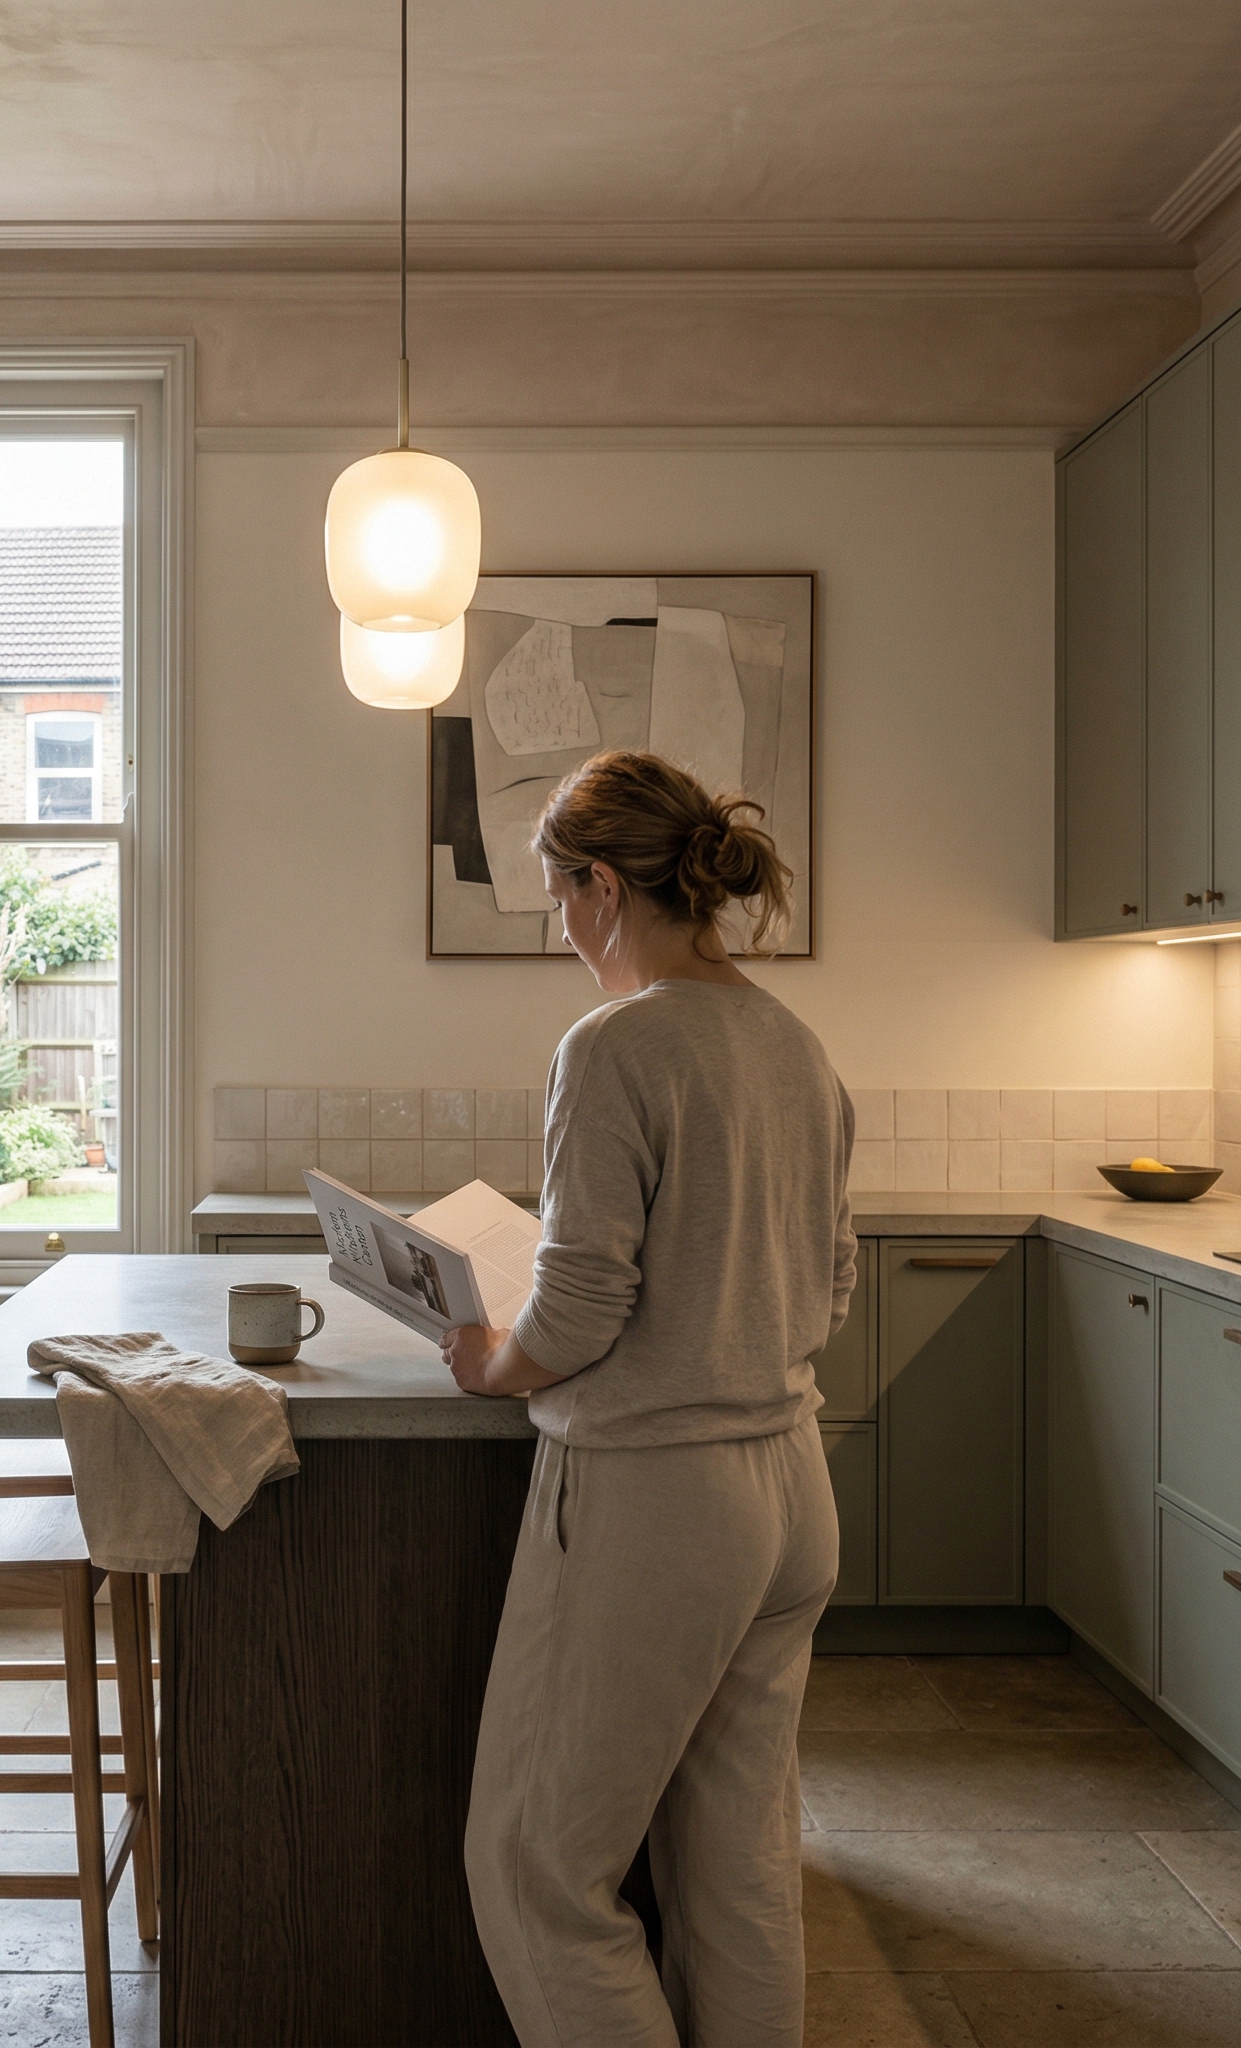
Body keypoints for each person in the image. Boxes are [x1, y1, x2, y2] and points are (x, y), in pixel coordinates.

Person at [442, 750, 854, 2048]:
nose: (563, 933)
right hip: (792, 1489)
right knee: (734, 1872)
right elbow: (829, 1287)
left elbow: (575, 1314)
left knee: (535, 1871)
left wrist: (490, 1356)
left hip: (658, 1502)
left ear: (604, 889)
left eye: (560, 899)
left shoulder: (614, 1046)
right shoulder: (796, 1046)